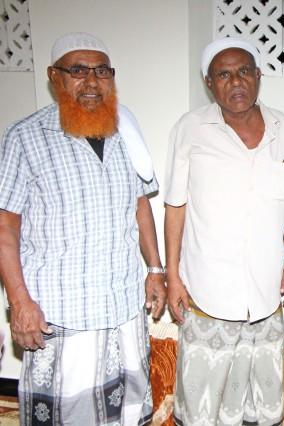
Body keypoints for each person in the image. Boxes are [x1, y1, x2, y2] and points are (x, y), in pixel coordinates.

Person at [0, 32, 166, 425]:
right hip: (62, 310)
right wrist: (19, 303)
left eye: (102, 71)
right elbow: (5, 226)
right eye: (78, 70)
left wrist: (155, 269)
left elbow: (140, 205)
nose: (92, 81)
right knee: (70, 413)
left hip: (123, 305)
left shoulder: (125, 131)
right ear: (54, 76)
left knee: (127, 408)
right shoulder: (25, 137)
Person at [164, 37, 284, 425]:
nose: (236, 81)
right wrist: (172, 276)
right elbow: (175, 207)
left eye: (243, 71)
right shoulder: (190, 129)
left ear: (258, 76)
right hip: (208, 293)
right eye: (223, 75)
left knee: (259, 405)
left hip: (265, 295)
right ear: (209, 83)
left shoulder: (282, 128)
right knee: (202, 406)